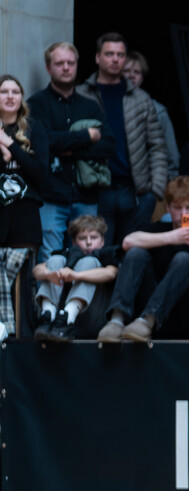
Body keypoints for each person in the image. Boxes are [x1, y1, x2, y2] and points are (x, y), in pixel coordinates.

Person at [97, 176, 189, 342]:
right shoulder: (159, 229)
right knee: (136, 252)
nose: (184, 213)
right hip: (144, 313)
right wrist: (171, 237)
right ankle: (116, 320)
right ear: (168, 207)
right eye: (177, 208)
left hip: (186, 313)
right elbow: (128, 242)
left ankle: (148, 320)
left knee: (183, 259)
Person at [76, 33, 170, 244]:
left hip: (134, 191)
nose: (115, 59)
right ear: (97, 57)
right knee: (96, 252)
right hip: (95, 192)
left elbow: (157, 146)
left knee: (132, 253)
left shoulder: (140, 98)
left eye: (120, 55)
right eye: (109, 54)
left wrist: (154, 192)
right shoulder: (81, 94)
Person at [29, 42, 114, 258]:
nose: (66, 67)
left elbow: (108, 145)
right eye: (59, 63)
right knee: (50, 259)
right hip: (50, 195)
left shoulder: (91, 106)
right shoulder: (37, 104)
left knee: (88, 257)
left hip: (87, 196)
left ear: (77, 65)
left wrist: (69, 150)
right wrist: (86, 137)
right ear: (48, 68)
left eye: (70, 63)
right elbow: (45, 141)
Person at [31, 215, 118, 341]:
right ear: (74, 242)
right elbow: (37, 270)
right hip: (57, 325)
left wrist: (76, 275)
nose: (89, 242)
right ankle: (47, 314)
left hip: (93, 318)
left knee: (89, 262)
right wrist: (50, 275)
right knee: (56, 259)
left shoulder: (107, 256)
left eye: (93, 237)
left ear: (102, 241)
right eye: (82, 238)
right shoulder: (68, 254)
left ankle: (69, 315)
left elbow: (111, 273)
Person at [0, 74, 47, 252]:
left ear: (21, 98)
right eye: (4, 92)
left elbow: (40, 174)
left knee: (24, 269)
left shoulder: (34, 128)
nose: (10, 96)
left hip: (25, 214)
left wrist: (10, 145)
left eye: (15, 92)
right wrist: (4, 156)